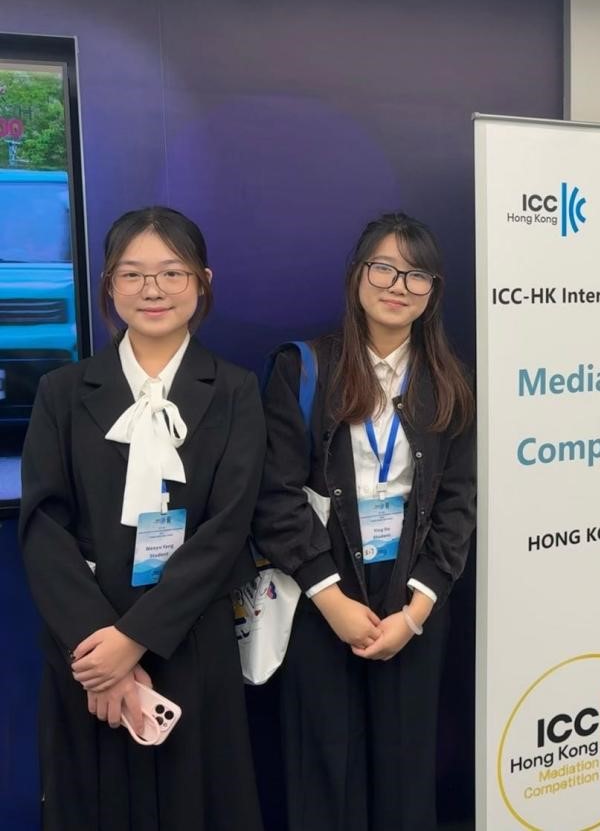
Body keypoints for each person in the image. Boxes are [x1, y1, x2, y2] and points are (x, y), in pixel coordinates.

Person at [19, 206, 265, 831]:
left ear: (203, 281)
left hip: (192, 635)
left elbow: (228, 527)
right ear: (109, 285)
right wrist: (100, 649)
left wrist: (135, 639)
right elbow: (43, 527)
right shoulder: (62, 391)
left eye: (172, 272)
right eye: (132, 274)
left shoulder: (235, 390)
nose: (152, 289)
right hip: (88, 647)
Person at [252, 211, 475, 831]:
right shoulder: (304, 368)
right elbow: (274, 497)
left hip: (411, 593)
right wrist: (332, 601)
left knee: (407, 772)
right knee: (326, 769)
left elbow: (458, 502)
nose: (398, 285)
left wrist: (416, 613)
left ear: (433, 292)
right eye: (384, 268)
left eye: (416, 275)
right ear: (357, 275)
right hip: (321, 590)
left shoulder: (450, 382)